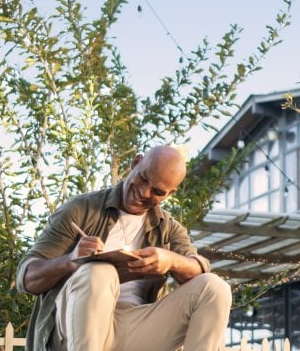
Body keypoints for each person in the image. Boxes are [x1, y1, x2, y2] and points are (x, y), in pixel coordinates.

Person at [16, 145, 232, 351]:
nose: (144, 192)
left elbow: (199, 267)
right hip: (74, 330)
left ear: (170, 194)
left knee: (215, 287)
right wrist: (71, 260)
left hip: (134, 326)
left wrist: (170, 260)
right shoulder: (81, 209)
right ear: (136, 162)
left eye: (157, 191)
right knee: (100, 271)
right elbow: (26, 279)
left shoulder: (167, 228)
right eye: (143, 178)